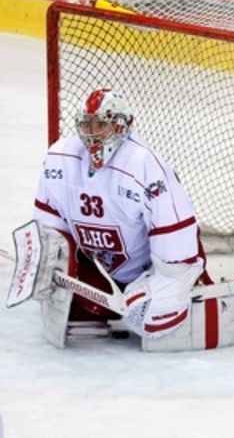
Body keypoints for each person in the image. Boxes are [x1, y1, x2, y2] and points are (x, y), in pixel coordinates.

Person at [27, 88, 208, 346]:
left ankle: (196, 289)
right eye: (87, 124)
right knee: (64, 304)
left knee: (156, 313)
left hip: (151, 269)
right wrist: (48, 266)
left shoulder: (144, 164)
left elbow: (176, 242)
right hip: (101, 269)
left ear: (124, 125)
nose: (93, 134)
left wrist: (167, 282)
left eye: (102, 124)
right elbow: (48, 232)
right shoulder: (60, 158)